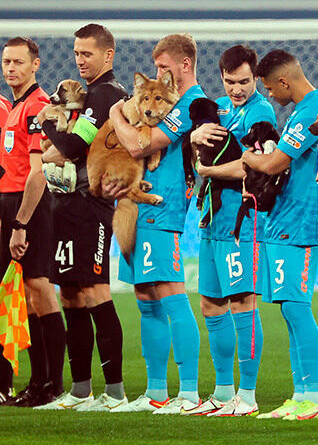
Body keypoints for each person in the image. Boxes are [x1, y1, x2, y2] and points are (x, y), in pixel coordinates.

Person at [108, 34, 206, 414]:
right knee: (146, 299)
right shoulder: (167, 99)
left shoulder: (191, 103)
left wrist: (116, 115)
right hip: (140, 206)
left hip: (163, 208)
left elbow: (138, 145)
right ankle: (155, 392)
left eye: (164, 66)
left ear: (185, 64)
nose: (159, 73)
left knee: (171, 294)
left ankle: (189, 393)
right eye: (156, 66)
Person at [34, 24, 128, 412]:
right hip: (68, 203)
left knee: (95, 291)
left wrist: (45, 122)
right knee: (70, 294)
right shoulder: (90, 95)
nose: (79, 60)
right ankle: (80, 391)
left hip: (92, 205)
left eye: (86, 53)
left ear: (108, 55)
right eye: (76, 53)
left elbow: (72, 147)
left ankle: (116, 393)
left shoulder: (106, 94)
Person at [184, 45, 276, 417]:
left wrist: (207, 172)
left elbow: (254, 167)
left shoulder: (261, 112)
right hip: (211, 217)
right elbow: (195, 149)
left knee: (243, 303)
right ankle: (223, 391)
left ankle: (248, 395)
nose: (236, 89)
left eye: (243, 82)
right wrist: (193, 140)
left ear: (255, 78)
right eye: (229, 82)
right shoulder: (219, 108)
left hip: (243, 220)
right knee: (210, 303)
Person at [242, 49, 318, 422]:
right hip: (283, 220)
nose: (270, 95)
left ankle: (315, 397)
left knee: (297, 307)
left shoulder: (313, 113)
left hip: (302, 222)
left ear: (282, 81)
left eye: (269, 88)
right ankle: (300, 395)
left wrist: (246, 157)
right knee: (288, 309)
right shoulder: (300, 111)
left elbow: (275, 162)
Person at [0, 37, 65, 408]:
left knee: (40, 287)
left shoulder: (37, 106)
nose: (11, 68)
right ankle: (38, 381)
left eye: (19, 62)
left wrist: (20, 223)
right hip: (12, 202)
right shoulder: (15, 106)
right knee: (27, 293)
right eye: (7, 62)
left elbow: (38, 172)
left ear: (35, 65)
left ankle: (52, 384)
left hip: (30, 206)